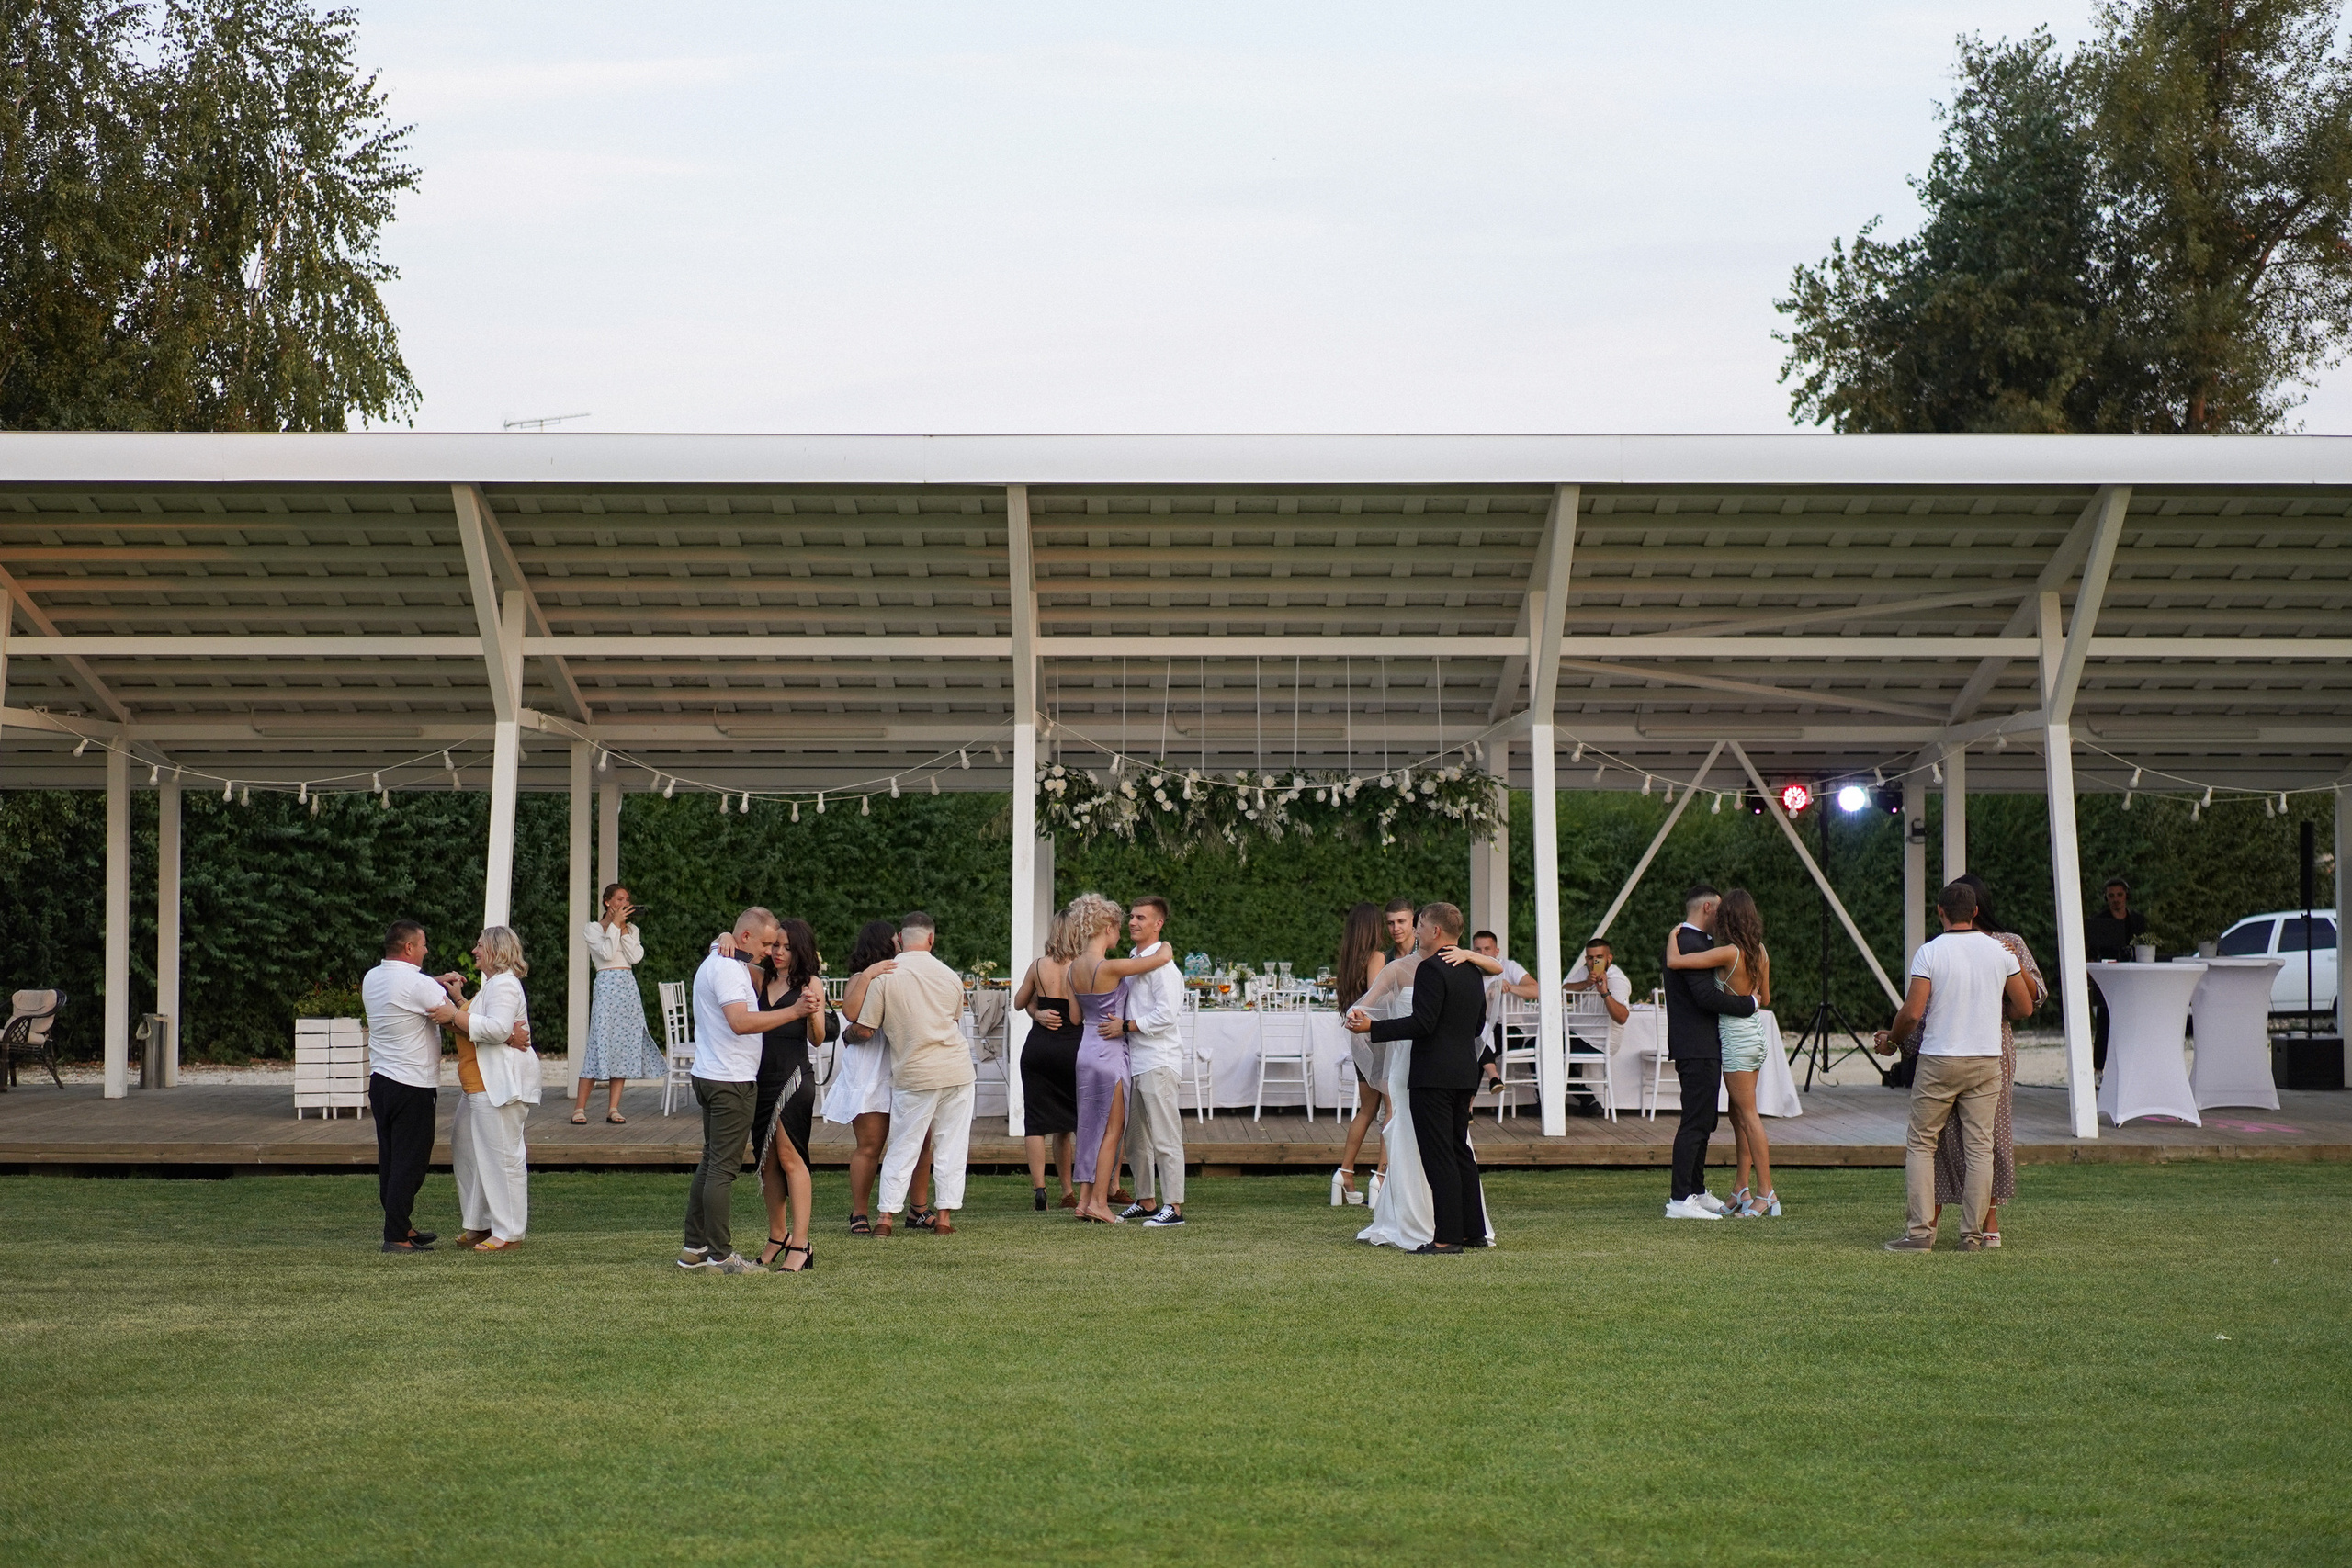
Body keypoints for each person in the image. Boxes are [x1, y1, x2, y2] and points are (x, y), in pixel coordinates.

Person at [1873, 881, 2035, 1252]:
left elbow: (1912, 1013)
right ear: (1975, 912)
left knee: (1921, 1143)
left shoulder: (1930, 952)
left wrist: (1893, 1041)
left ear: (1940, 912)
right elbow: (2025, 1007)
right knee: (1980, 1147)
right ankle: (1973, 1237)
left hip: (1939, 1059)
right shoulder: (2001, 951)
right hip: (1987, 1060)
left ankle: (1919, 1234)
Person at [1355, 902, 1489, 1254]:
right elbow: (1478, 1026)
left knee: (1439, 1155)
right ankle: (1473, 1231)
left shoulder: (1431, 969)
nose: (1417, 931)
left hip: (1433, 1075)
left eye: (1421, 926)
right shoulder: (1471, 971)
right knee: (1460, 1152)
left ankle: (1446, 1237)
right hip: (1464, 1072)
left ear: (1435, 931)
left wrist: (1373, 1028)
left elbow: (1422, 1024)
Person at [1920, 874, 2044, 1248]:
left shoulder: (2009, 943)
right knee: (1944, 1136)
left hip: (1993, 1043)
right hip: (1957, 1042)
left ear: (1976, 907)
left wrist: (2013, 960)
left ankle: (1987, 1219)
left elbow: (2035, 997)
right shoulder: (1946, 945)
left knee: (1989, 1135)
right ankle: (1935, 1220)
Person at [679, 908, 804, 1275]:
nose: (770, 951)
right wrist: (795, 1012)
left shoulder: (723, 960)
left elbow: (748, 964)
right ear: (746, 937)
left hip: (713, 1075)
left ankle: (694, 1248)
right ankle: (721, 1257)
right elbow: (740, 1022)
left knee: (710, 1162)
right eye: (766, 943)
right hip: (729, 1081)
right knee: (722, 1169)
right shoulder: (729, 969)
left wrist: (722, 938)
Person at [844, 911, 976, 1237]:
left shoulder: (886, 976)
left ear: (901, 939)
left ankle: (885, 1218)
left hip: (914, 1072)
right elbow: (953, 1021)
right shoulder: (951, 977)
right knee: (951, 1147)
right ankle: (943, 1218)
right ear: (931, 938)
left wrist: (847, 1034)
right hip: (956, 1069)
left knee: (903, 1145)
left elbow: (865, 1028)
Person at [1061, 892, 1176, 1224]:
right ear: (1108, 928)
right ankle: (1099, 1202)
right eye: (1119, 927)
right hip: (1109, 1052)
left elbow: (1075, 1017)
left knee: (1088, 1127)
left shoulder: (1072, 969)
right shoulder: (1111, 966)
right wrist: (1166, 944)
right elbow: (1160, 958)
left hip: (1085, 1051)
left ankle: (1084, 1201)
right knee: (1113, 1130)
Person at [1663, 891, 1777, 1217]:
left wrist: (1671, 938)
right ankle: (1741, 1188)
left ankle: (1766, 1192)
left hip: (1736, 1038)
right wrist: (1751, 999)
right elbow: (1766, 998)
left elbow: (1676, 963)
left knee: (1747, 1115)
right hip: (1755, 1036)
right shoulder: (1760, 951)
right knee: (1737, 1114)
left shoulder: (1726, 951)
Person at [825, 919, 929, 1233]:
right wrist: (870, 973)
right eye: (896, 940)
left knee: (920, 1141)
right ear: (884, 943)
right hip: (870, 1066)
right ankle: (859, 1213)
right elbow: (851, 1014)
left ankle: (918, 1209)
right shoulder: (860, 977)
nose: (901, 944)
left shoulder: (904, 974)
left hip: (903, 1063)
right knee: (870, 1145)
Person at [361, 920, 459, 1252]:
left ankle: (400, 1224)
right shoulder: (419, 985)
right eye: (423, 944)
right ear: (408, 948)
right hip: (413, 1085)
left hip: (381, 1082)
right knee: (411, 1162)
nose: (426, 950)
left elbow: (404, 991)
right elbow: (456, 1020)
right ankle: (396, 1236)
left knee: (390, 1158)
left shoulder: (373, 977)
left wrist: (434, 982)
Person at [441, 925, 541, 1251]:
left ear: (497, 951)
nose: (474, 950)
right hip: (476, 1085)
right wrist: (458, 1001)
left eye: (480, 945)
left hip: (497, 1086)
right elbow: (479, 1022)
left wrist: (453, 1012)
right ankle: (480, 1223)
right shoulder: (492, 986)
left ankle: (508, 1232)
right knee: (468, 1151)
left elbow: (496, 1029)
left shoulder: (505, 985)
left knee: (502, 1158)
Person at [750, 917, 826, 1273]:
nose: (778, 952)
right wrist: (725, 936)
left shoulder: (811, 983)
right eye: (775, 945)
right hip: (761, 1080)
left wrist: (812, 1013)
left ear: (801, 950)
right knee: (766, 1162)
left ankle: (801, 1243)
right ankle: (777, 1236)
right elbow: (726, 954)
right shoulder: (759, 978)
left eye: (787, 947)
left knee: (790, 1157)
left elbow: (818, 1038)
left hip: (794, 1078)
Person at [1115, 896, 1189, 1226]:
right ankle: (1145, 1200)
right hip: (1134, 1060)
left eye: (1141, 918)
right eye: (1132, 916)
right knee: (1135, 1138)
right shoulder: (1135, 961)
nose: (1133, 922)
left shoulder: (1164, 968)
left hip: (1159, 1059)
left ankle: (1174, 1207)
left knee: (1165, 1136)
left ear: (1158, 924)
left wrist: (1126, 1026)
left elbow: (1166, 1015)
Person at [572, 884, 664, 1124]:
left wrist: (623, 928)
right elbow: (606, 953)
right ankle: (579, 1108)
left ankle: (613, 1108)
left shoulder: (631, 929)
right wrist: (614, 925)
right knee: (598, 1043)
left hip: (627, 988)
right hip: (606, 986)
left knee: (623, 1046)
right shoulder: (593, 928)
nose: (625, 903)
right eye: (620, 899)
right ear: (607, 902)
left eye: (627, 899)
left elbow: (635, 957)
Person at [1014, 910, 1083, 1212]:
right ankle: (1076, 1189)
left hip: (1038, 1050)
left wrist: (1037, 1012)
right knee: (1073, 1123)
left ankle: (1040, 1190)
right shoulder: (1081, 968)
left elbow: (1019, 1002)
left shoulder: (1038, 966)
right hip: (1072, 1049)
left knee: (1036, 1122)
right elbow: (1082, 1015)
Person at [1331, 901, 1390, 1205]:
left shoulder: (1348, 960)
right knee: (1391, 1110)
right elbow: (1375, 1000)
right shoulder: (1377, 956)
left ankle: (1345, 1173)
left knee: (1366, 1109)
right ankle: (1381, 1179)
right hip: (1376, 1039)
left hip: (1358, 1042)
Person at [2082, 876, 2146, 1073]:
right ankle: (2099, 1069)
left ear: (2126, 896)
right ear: (2106, 898)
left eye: (2119, 895)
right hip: (2108, 977)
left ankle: (2131, 1066)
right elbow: (2090, 950)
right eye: (2111, 896)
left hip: (2132, 977)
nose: (2116, 899)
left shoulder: (2137, 921)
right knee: (2104, 1022)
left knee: (2132, 1021)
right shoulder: (2099, 922)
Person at [1564, 937, 1633, 1114]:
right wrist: (1586, 983)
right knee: (1540, 1043)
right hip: (1578, 1034)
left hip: (1599, 1041)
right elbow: (1562, 992)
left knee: (1545, 1047)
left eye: (1599, 958)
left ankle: (1584, 1101)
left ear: (1609, 958)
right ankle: (1588, 1101)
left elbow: (1622, 1017)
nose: (1594, 962)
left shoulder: (1617, 980)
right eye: (1590, 958)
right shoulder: (1585, 972)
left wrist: (1605, 993)